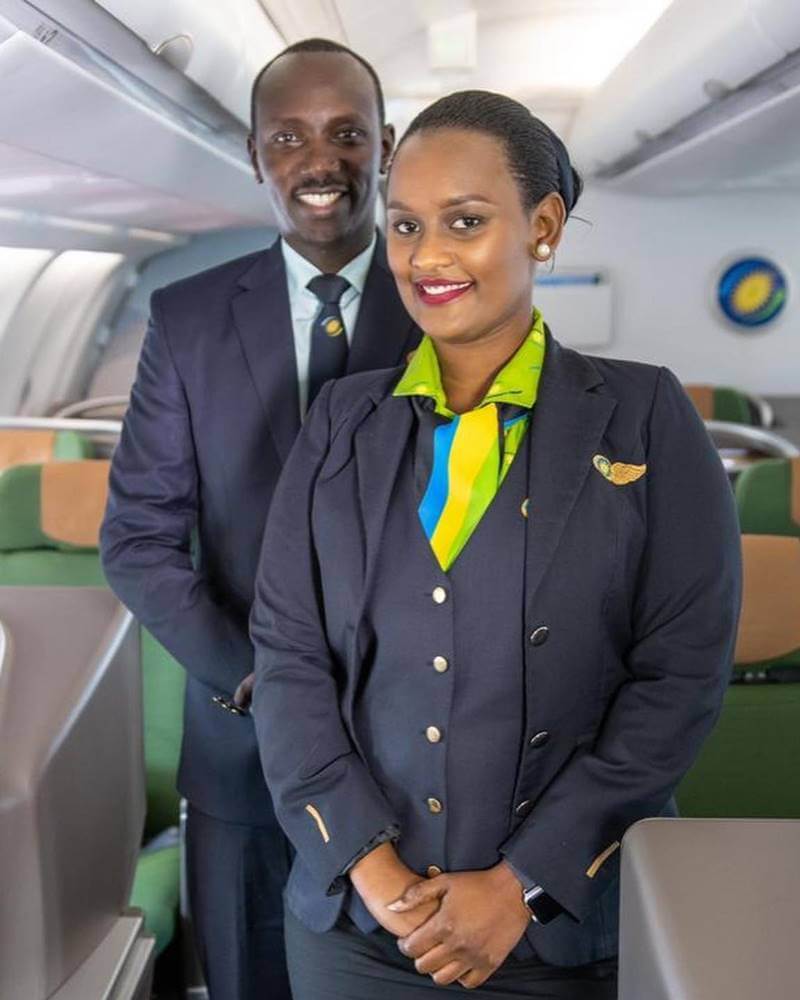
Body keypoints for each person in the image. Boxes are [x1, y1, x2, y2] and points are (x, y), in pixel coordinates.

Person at [250, 90, 742, 998]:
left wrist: (522, 885)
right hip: (359, 932)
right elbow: (288, 657)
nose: (426, 256)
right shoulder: (339, 426)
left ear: (544, 226)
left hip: (559, 938)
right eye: (403, 226)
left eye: (465, 221)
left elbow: (677, 679)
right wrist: (370, 867)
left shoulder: (645, 417)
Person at [100, 39, 420, 1000]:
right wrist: (258, 681)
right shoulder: (188, 317)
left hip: (414, 756)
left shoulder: (443, 302)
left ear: (387, 146)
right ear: (254, 155)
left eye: (346, 134)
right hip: (243, 759)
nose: (319, 162)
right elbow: (139, 538)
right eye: (288, 136)